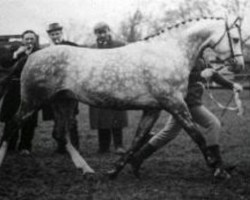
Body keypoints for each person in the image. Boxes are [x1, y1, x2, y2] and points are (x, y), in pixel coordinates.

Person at [129, 57, 243, 178]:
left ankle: (137, 158)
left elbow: (213, 74)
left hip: (186, 102)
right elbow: (179, 76)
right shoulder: (186, 56)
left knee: (168, 133)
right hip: (187, 102)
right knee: (213, 124)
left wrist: (232, 85)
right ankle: (218, 166)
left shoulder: (201, 57)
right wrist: (200, 74)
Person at [89, 22, 128, 154]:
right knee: (101, 117)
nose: (102, 35)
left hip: (116, 85)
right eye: (99, 32)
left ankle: (119, 145)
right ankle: (103, 146)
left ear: (109, 31)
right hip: (98, 87)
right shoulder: (91, 49)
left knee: (117, 115)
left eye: (104, 32)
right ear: (96, 34)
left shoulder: (120, 45)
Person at [0, 30, 39, 155]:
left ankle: (25, 146)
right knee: (11, 116)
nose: (29, 41)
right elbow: (5, 64)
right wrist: (16, 54)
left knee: (29, 119)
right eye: (26, 39)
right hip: (15, 89)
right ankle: (10, 144)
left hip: (31, 90)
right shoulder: (14, 51)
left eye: (31, 39)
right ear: (22, 40)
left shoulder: (39, 53)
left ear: (35, 40)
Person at [43, 22, 80, 153]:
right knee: (57, 117)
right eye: (52, 34)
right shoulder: (46, 51)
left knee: (71, 117)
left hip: (70, 88)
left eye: (57, 33)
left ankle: (75, 146)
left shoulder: (72, 47)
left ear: (61, 33)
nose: (55, 36)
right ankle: (61, 146)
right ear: (49, 36)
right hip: (54, 89)